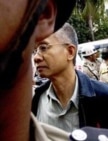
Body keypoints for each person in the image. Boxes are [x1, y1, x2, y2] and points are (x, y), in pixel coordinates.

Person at [32, 23, 108, 133]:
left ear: (70, 52)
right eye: (35, 51)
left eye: (43, 48)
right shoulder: (36, 99)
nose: (36, 57)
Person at [0, 0, 76, 140]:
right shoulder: (39, 97)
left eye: (44, 48)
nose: (37, 58)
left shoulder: (106, 97)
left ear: (43, 15)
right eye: (37, 50)